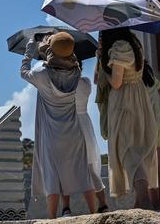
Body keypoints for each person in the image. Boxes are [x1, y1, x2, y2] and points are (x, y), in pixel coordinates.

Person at [21, 32, 96, 219]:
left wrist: (29, 52)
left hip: (52, 134)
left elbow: (23, 72)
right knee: (82, 172)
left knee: (52, 176)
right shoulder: (76, 73)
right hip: (73, 132)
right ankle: (95, 213)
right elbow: (65, 61)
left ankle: (52, 218)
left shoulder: (41, 74)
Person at [99, 27, 159, 209]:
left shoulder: (119, 47)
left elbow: (117, 83)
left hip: (125, 102)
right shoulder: (134, 44)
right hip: (139, 99)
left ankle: (144, 200)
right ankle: (139, 203)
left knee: (128, 153)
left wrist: (105, 71)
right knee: (138, 151)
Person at [61, 60, 109, 216]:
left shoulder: (64, 85)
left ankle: (66, 207)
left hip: (70, 124)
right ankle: (102, 204)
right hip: (85, 123)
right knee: (90, 168)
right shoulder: (86, 82)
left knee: (65, 167)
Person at [143, 62, 160, 211]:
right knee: (157, 163)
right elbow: (159, 88)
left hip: (146, 120)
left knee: (148, 165)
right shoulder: (148, 71)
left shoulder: (134, 73)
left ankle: (154, 205)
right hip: (156, 117)